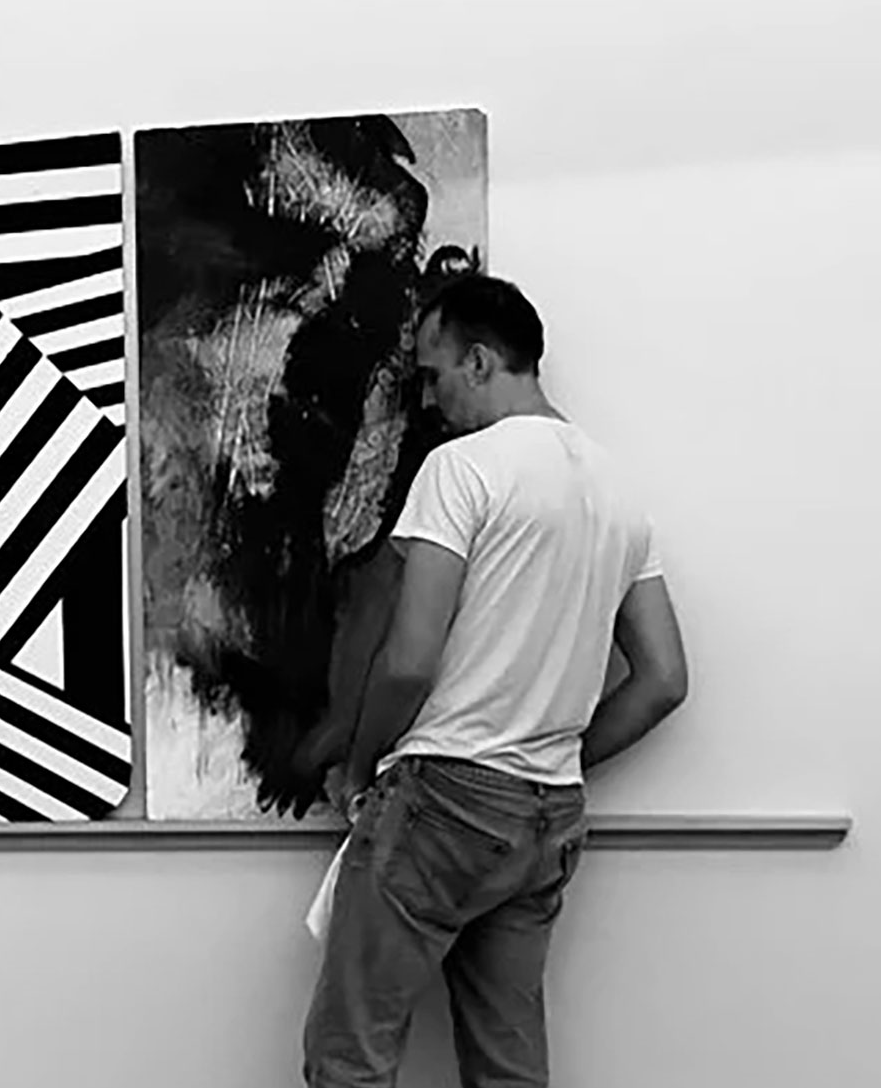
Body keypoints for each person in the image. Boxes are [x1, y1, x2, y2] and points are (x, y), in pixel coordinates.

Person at [294, 274, 690, 1088]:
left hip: (442, 800)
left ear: (479, 361)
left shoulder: (462, 468)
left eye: (433, 374)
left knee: (351, 1057)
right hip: (548, 818)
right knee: (509, 1068)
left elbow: (409, 659)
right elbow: (663, 678)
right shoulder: (618, 490)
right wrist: (551, 760)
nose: (427, 398)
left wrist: (360, 768)